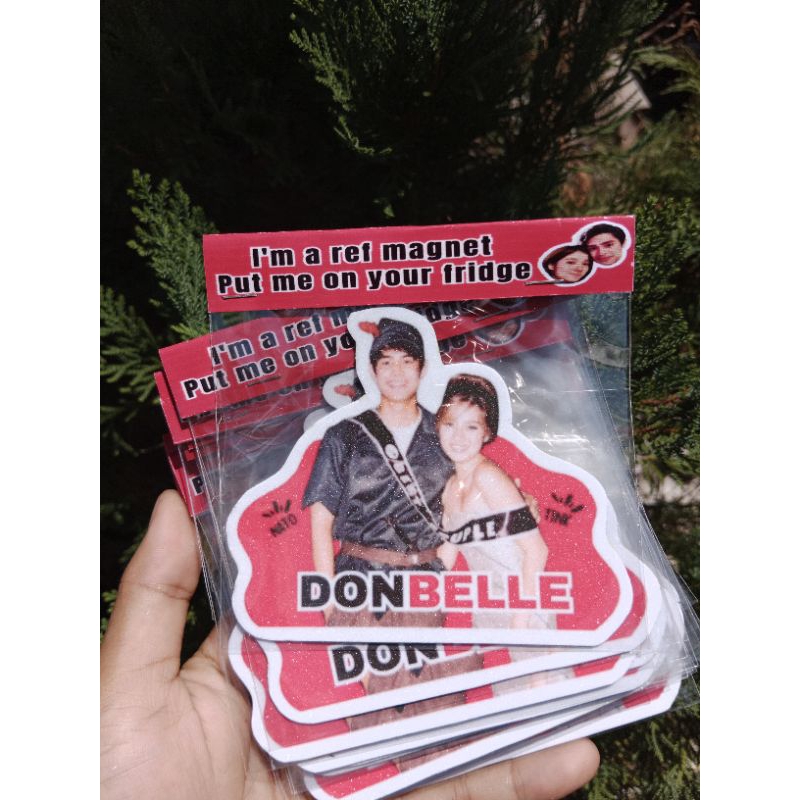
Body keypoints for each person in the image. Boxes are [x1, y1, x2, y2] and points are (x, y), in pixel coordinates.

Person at [100, 490, 601, 799]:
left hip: (437, 610)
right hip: (362, 602)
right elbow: (324, 523)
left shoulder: (449, 495)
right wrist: (328, 599)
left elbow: (471, 544)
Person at [435, 374, 550, 634]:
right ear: (438, 425)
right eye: (450, 424)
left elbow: (536, 551)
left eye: (472, 427)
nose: (458, 437)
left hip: (525, 610)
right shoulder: (451, 487)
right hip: (488, 607)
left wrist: (521, 618)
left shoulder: (488, 477)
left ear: (486, 432)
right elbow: (447, 557)